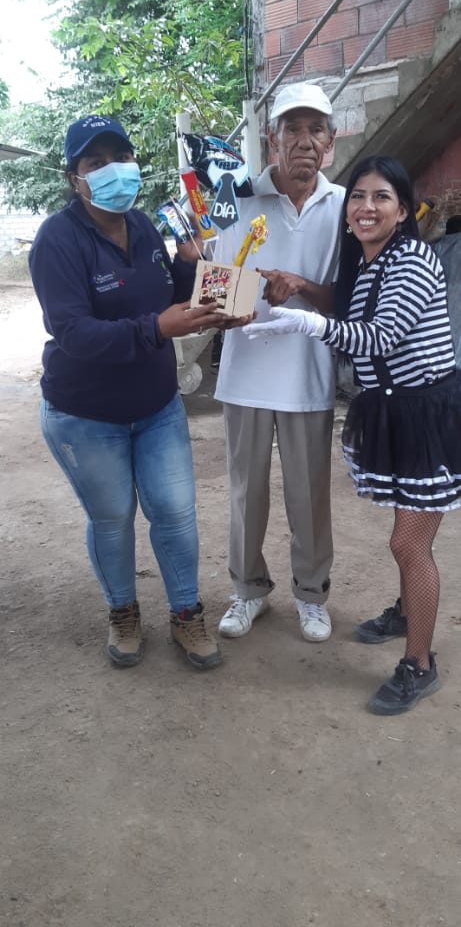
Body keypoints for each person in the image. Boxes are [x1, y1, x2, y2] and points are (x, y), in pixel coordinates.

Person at [29, 113, 249, 671]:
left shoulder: (146, 226)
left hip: (156, 405)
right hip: (85, 413)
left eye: (120, 158)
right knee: (113, 517)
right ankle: (122, 612)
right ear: (75, 177)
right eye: (96, 162)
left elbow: (171, 299)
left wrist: (193, 270)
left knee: (174, 511)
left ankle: (186, 614)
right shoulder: (57, 239)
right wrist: (155, 328)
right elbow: (73, 331)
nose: (114, 170)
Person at [244, 155, 461, 714]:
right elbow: (349, 316)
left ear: (403, 209)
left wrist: (306, 322)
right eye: (358, 197)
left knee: (408, 544)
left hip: (427, 415)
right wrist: (299, 293)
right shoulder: (366, 263)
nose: (366, 207)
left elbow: (379, 336)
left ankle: (420, 665)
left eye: (381, 197)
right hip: (393, 409)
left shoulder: (412, 259)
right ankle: (409, 613)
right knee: (407, 537)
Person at [214, 82, 345, 642]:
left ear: (331, 141)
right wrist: (228, 311)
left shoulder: (345, 207)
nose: (304, 141)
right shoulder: (238, 198)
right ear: (273, 138)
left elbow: (349, 300)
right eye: (293, 129)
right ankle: (248, 590)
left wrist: (301, 285)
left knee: (309, 495)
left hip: (308, 376)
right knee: (246, 493)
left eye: (316, 130)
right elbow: (217, 289)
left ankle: (311, 596)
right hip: (245, 373)